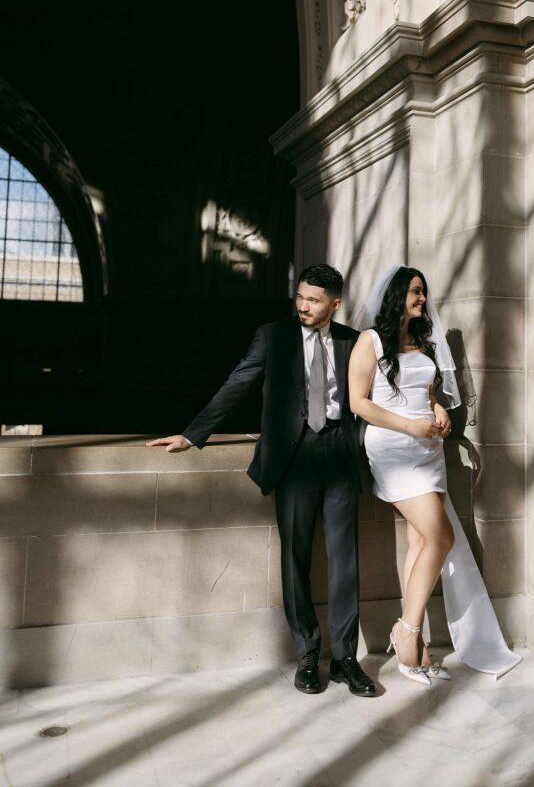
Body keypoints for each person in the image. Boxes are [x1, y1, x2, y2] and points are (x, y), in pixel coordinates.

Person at [147, 263, 376, 698]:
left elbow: (372, 396)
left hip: (339, 457)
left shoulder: (352, 341)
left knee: (346, 562)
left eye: (314, 300)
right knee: (296, 559)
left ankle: (345, 659)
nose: (304, 306)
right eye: (301, 297)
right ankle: (308, 654)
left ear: (335, 302)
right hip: (293, 458)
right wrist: (193, 434)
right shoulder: (274, 336)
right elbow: (238, 383)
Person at [348, 264, 521, 684]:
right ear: (395, 296)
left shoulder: (422, 344)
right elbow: (358, 402)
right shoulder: (370, 341)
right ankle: (406, 633)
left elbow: (426, 393)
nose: (422, 298)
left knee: (421, 541)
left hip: (428, 448)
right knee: (441, 538)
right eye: (414, 292)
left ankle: (417, 646)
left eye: (423, 291)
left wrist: (440, 411)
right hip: (392, 447)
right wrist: (409, 425)